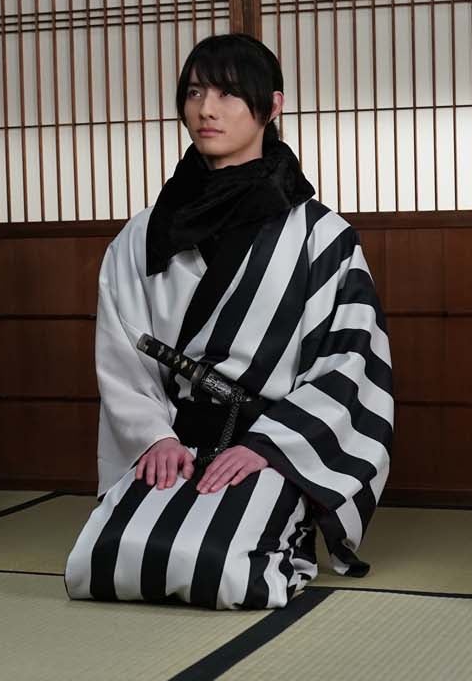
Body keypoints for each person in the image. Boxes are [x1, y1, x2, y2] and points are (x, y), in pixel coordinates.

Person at [65, 34, 394, 610]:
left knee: (220, 570)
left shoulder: (321, 236)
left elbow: (349, 359)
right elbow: (121, 351)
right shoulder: (145, 233)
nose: (206, 110)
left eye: (227, 94)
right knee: (104, 564)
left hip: (270, 441)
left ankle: (286, 523)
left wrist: (272, 445)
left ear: (273, 106)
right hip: (174, 439)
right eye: (195, 93)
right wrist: (154, 438)